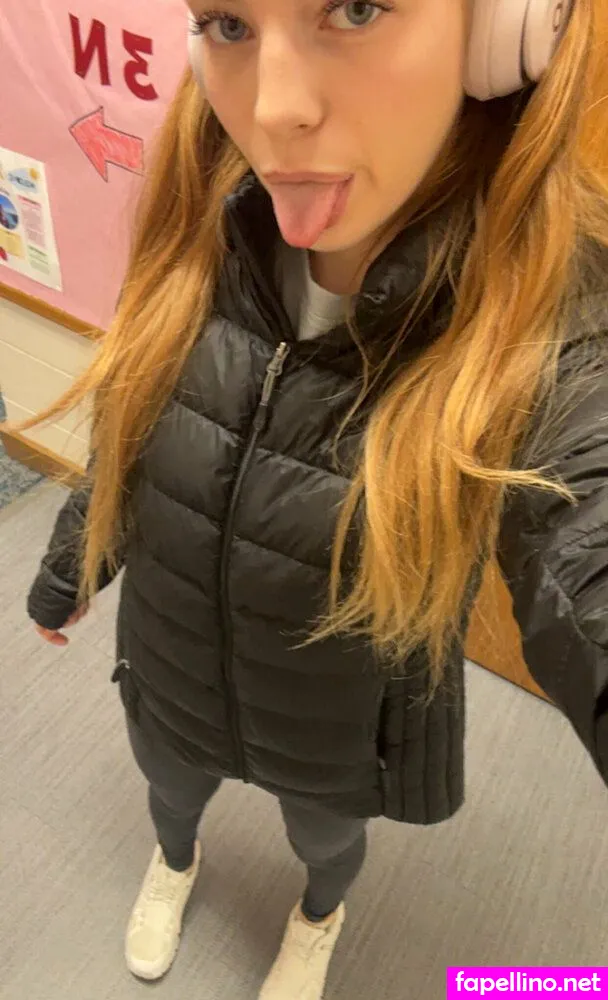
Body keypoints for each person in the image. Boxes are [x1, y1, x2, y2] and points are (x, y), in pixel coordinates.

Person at [20, 0, 608, 996]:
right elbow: (126, 448)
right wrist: (65, 577)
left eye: (355, 7)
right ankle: (175, 864)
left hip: (332, 715)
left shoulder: (545, 320)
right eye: (227, 24)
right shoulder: (195, 232)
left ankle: (317, 918)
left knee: (324, 842)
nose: (273, 109)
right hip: (171, 659)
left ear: (501, 31)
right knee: (170, 793)